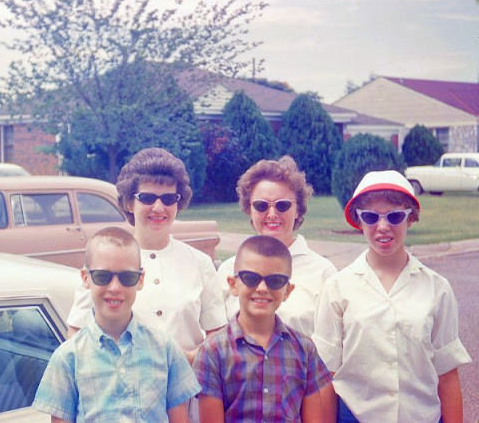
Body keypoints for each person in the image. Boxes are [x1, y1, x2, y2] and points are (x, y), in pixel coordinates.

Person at [313, 170, 472, 423]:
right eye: (371, 217)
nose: (383, 226)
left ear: (411, 219)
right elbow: (325, 376)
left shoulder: (437, 288)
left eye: (395, 216)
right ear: (359, 220)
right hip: (356, 416)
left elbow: (447, 375)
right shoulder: (337, 289)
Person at [66, 147, 227, 362]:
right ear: (130, 203)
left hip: (187, 389)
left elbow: (217, 335)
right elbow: (76, 332)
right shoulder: (104, 259)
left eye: (169, 199)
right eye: (147, 198)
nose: (159, 207)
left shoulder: (200, 263)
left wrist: (187, 360)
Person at [33, 226, 200, 422]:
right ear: (86, 278)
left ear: (140, 279)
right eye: (103, 276)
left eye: (126, 277)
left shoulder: (165, 349)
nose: (114, 288)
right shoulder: (67, 359)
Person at [194, 235, 334, 422]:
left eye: (275, 281)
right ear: (233, 285)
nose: (261, 288)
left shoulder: (304, 348)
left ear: (288, 291)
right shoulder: (213, 351)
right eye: (250, 278)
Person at [217, 156, 336, 336]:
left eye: (282, 205)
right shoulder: (228, 269)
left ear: (298, 211)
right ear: (250, 209)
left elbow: (330, 346)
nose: (272, 214)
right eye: (261, 205)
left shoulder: (323, 273)